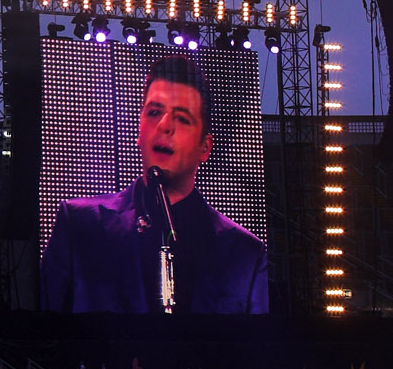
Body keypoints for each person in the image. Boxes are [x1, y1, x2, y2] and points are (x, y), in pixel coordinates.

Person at [41, 52, 267, 313]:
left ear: (205, 147)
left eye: (182, 118)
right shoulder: (80, 224)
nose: (164, 125)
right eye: (154, 112)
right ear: (139, 130)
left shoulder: (245, 253)